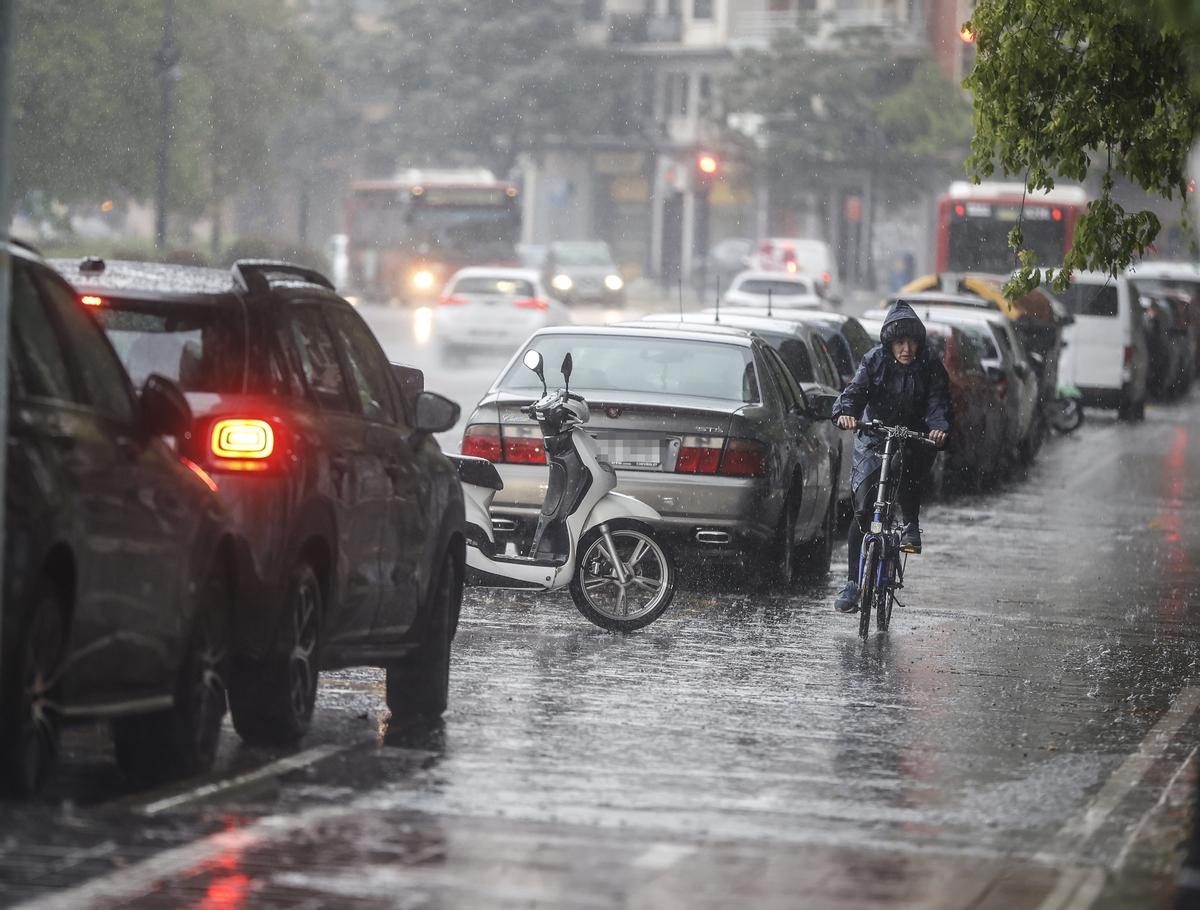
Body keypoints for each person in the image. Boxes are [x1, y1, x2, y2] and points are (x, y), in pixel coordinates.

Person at [831, 301, 951, 614]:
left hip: (914, 436)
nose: (907, 349)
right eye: (900, 342)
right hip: (875, 435)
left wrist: (937, 428)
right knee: (863, 508)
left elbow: (938, 402)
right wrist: (847, 413)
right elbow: (855, 392)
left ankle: (911, 524)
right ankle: (853, 584)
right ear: (890, 343)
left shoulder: (930, 366)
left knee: (911, 473)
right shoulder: (874, 360)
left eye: (912, 342)